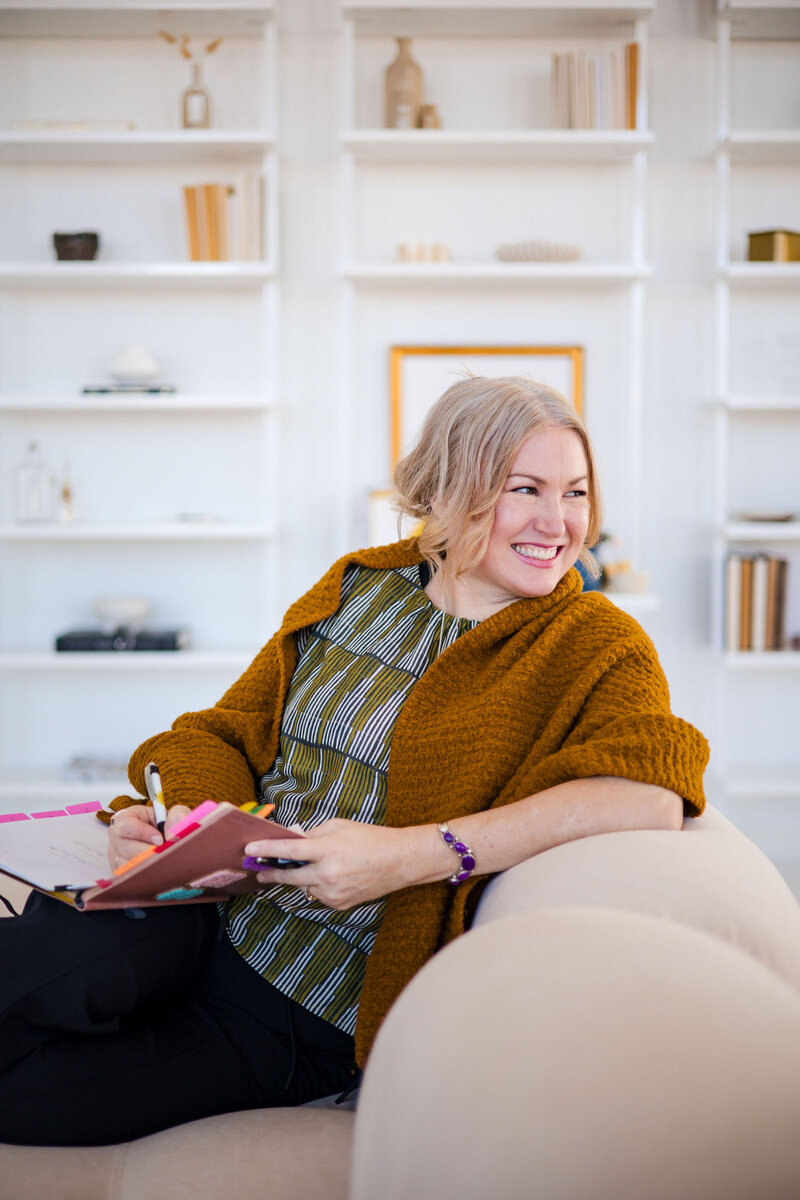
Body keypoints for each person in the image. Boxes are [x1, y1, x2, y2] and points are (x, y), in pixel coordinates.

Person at [0, 375, 709, 1146]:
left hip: (310, 1008)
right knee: (46, 959)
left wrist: (412, 855)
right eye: (524, 489)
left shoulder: (592, 644)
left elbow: (652, 793)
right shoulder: (361, 586)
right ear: (448, 489)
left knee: (26, 1095)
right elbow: (224, 731)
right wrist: (183, 821)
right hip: (210, 913)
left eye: (575, 493)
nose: (557, 521)